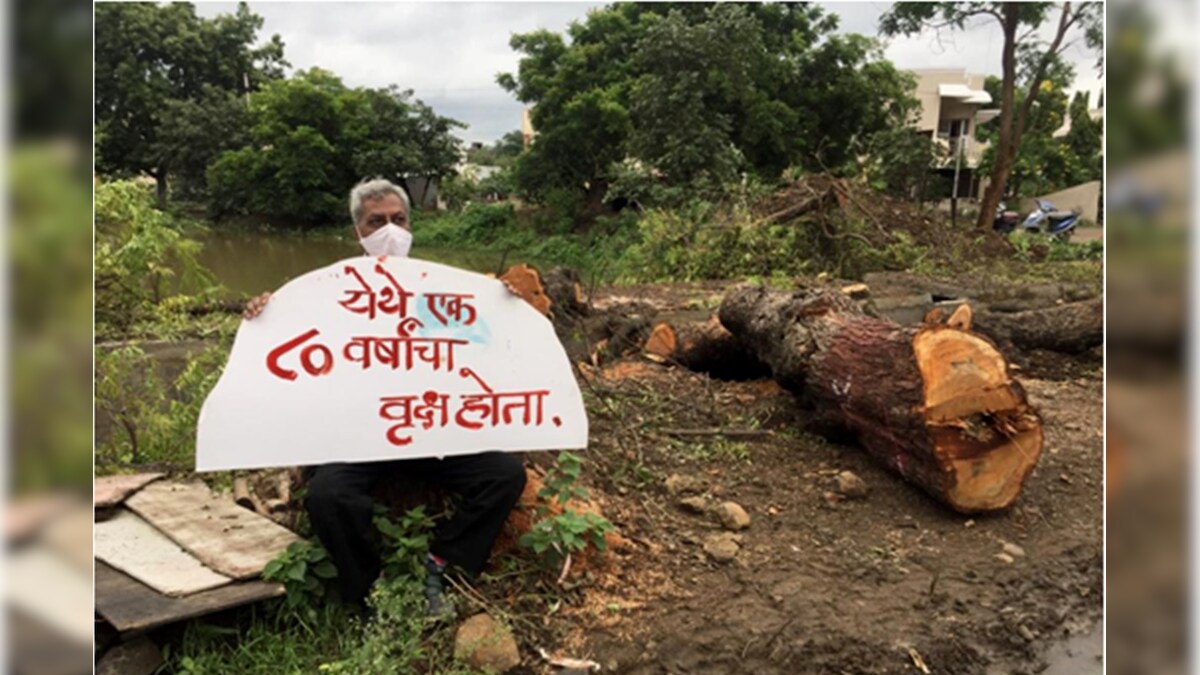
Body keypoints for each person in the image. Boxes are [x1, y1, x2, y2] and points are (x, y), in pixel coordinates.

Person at [242, 178, 528, 618]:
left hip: (428, 428)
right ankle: (371, 591)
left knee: (504, 475)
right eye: (377, 222)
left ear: (411, 224)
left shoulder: (436, 286)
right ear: (358, 231)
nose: (390, 230)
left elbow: (479, 338)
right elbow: (292, 344)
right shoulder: (330, 289)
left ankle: (442, 563)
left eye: (398, 219)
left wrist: (503, 304)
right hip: (358, 436)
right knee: (328, 497)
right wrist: (268, 314)